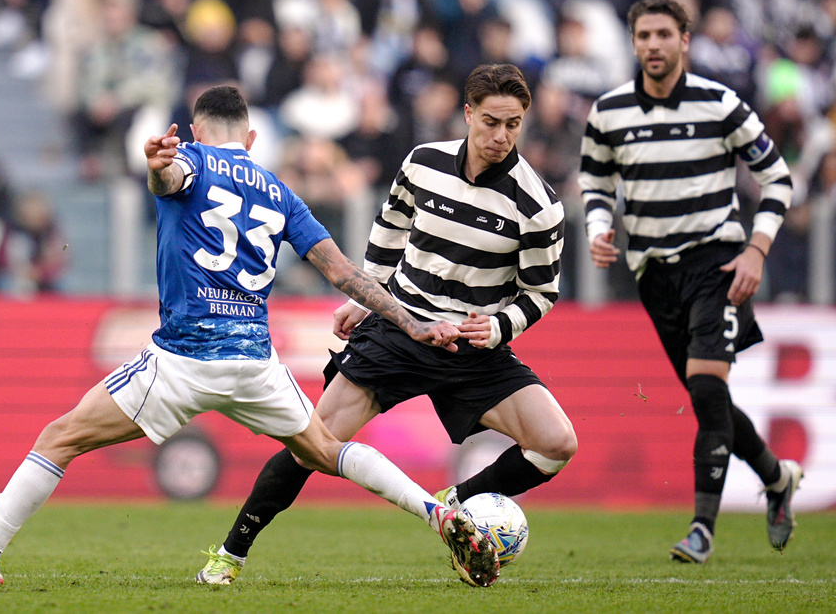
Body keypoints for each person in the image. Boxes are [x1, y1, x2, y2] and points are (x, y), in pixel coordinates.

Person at [0, 85, 499, 588]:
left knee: (59, 438)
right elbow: (345, 273)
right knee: (326, 450)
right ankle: (434, 510)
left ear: (195, 128)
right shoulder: (279, 190)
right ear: (251, 137)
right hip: (255, 364)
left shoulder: (189, 158)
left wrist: (157, 162)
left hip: (184, 358)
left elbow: (172, 178)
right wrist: (414, 323)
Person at [197, 63, 577, 586]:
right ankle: (230, 553)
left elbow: (541, 293)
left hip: (472, 351)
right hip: (399, 332)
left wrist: (497, 328)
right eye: (491, 121)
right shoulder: (423, 163)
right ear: (467, 114)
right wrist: (368, 296)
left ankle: (455, 506)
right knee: (310, 442)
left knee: (557, 443)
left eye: (513, 124)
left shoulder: (539, 206)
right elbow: (390, 230)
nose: (501, 135)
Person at [577, 0, 803, 564]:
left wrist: (756, 249)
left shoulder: (720, 104)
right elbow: (596, 181)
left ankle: (702, 527)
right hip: (653, 274)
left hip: (719, 262)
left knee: (705, 387)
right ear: (633, 43)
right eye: (643, 35)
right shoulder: (609, 112)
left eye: (663, 34)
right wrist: (599, 226)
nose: (653, 45)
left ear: (685, 40)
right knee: (710, 399)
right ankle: (777, 479)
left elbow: (777, 179)